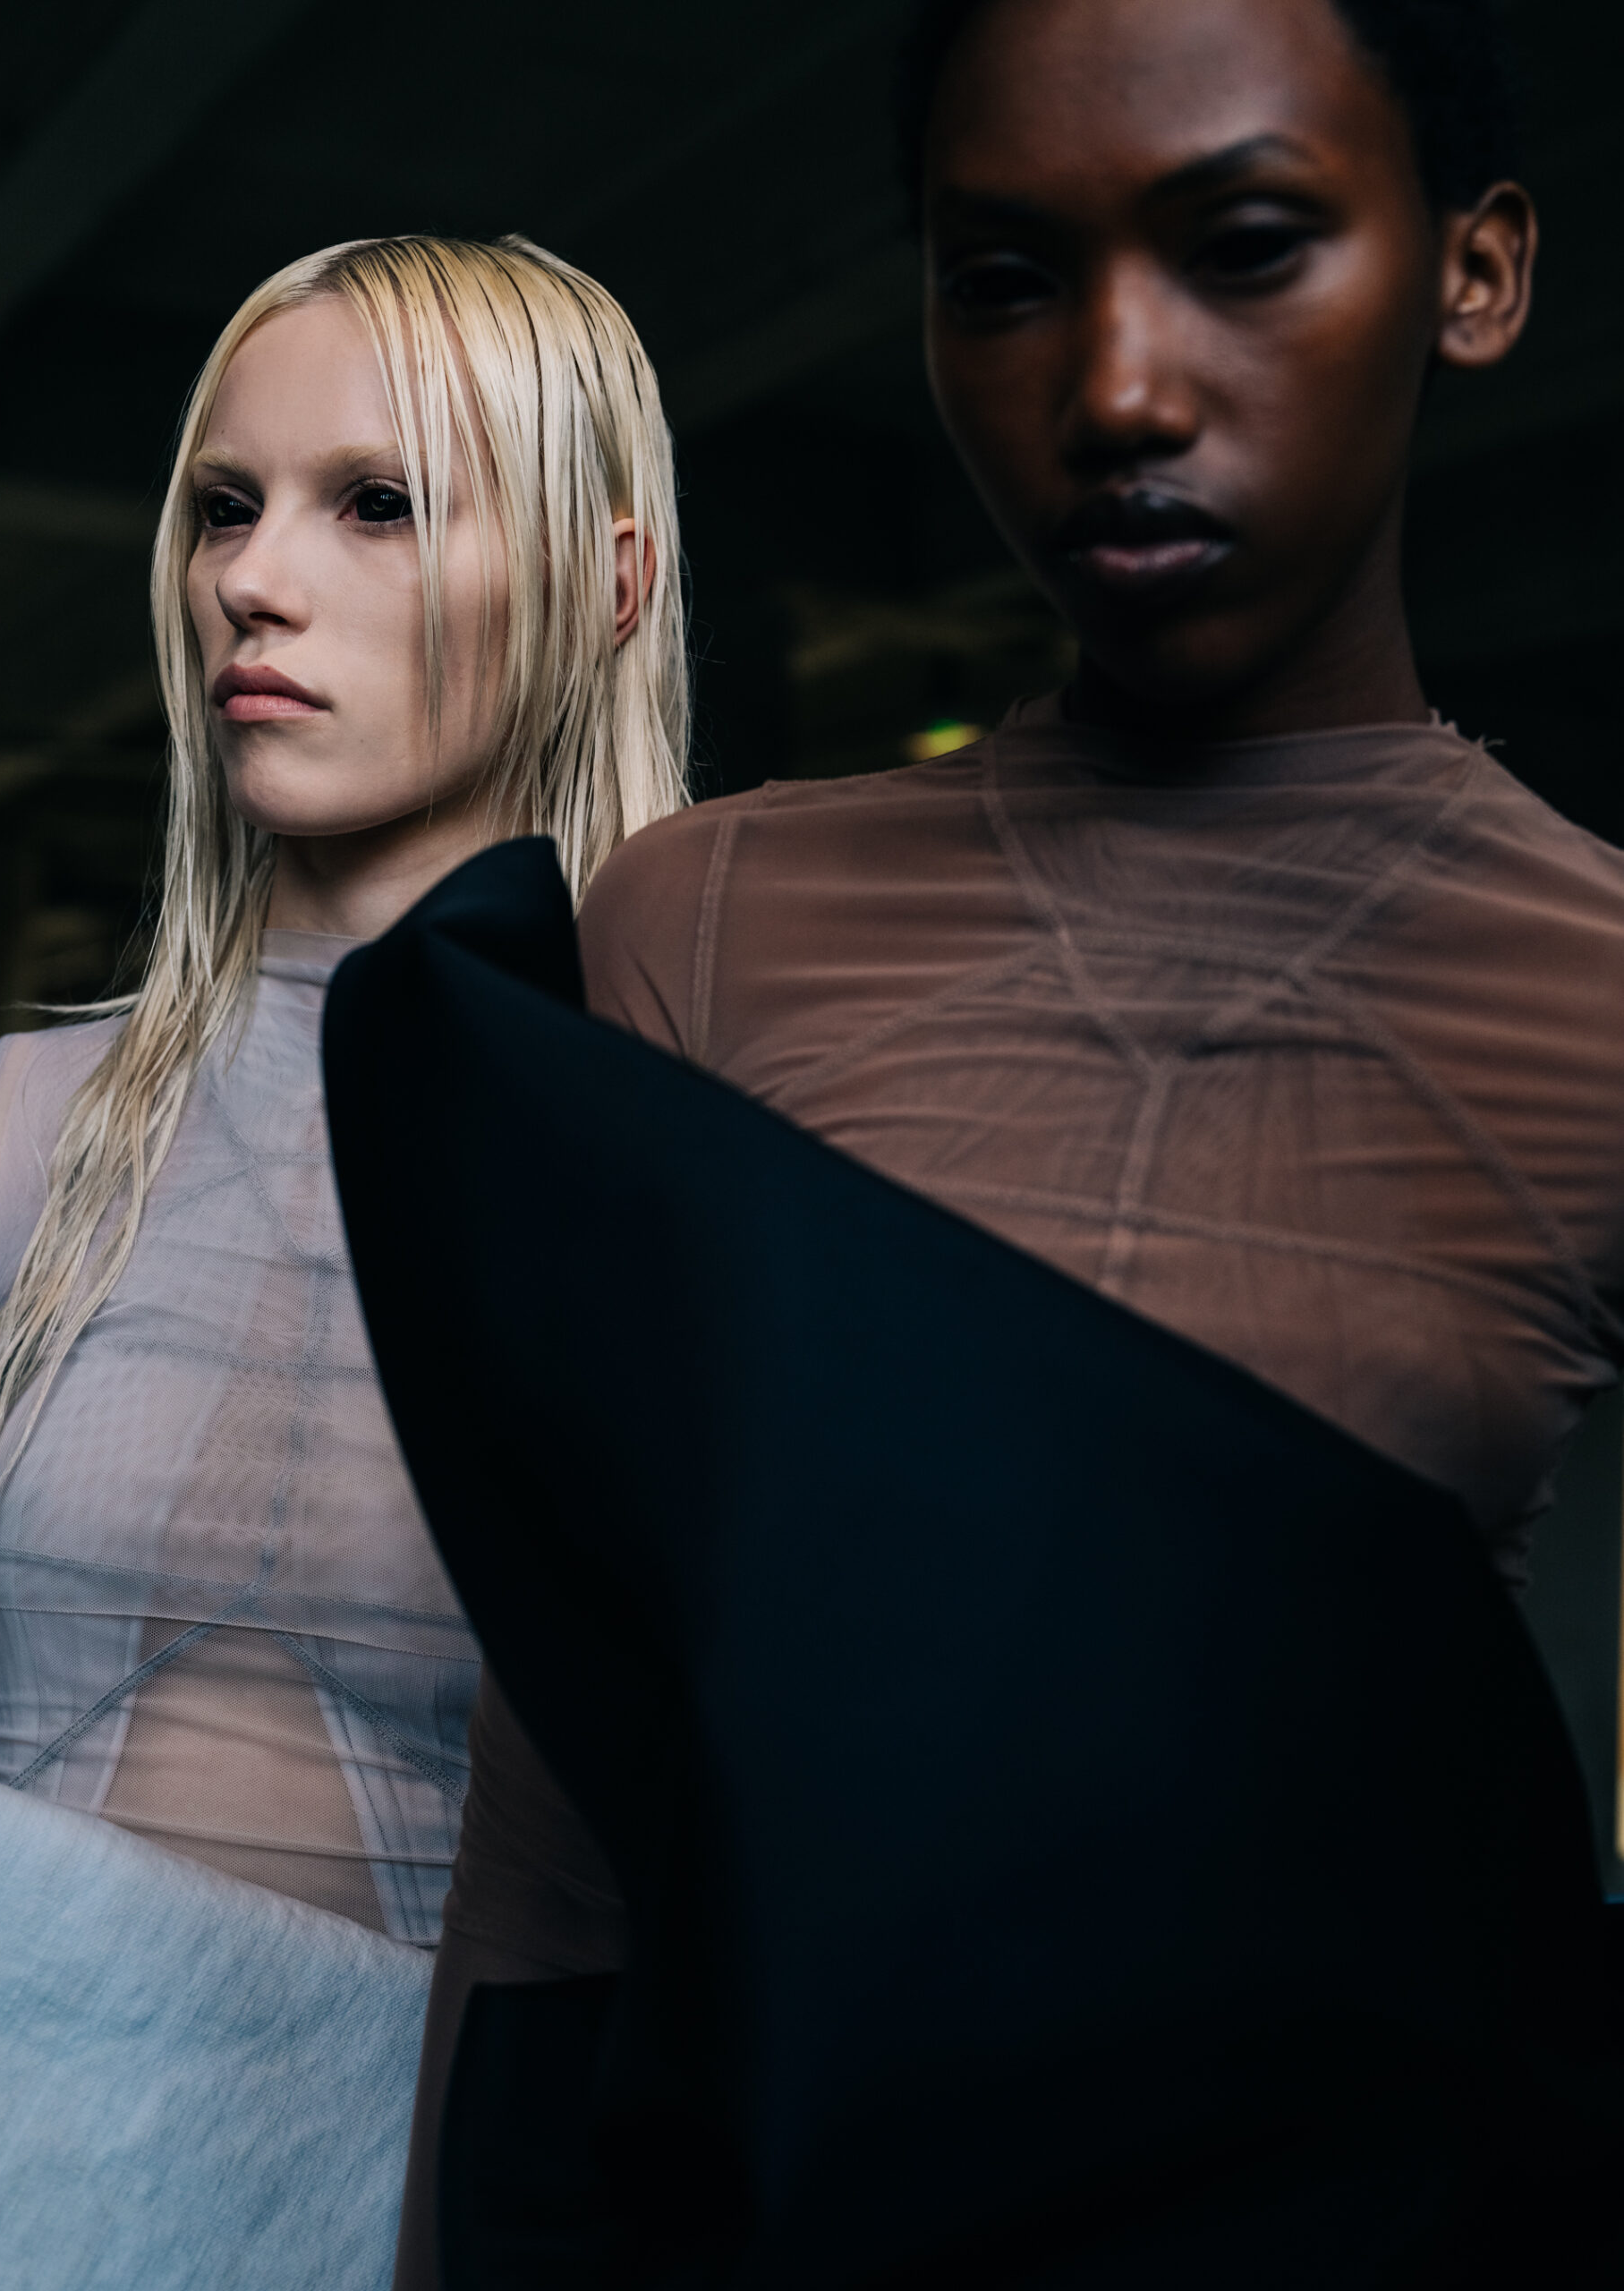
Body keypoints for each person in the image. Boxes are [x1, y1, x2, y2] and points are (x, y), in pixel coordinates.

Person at [396, 0, 1624, 2277]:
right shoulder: (701, 922)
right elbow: (561, 1862)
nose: (1120, 388)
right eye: (1005, 279)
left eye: (1244, 246)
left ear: (1475, 271)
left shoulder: (1600, 991)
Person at [0, 233, 687, 1946]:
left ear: (606, 583)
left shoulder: (696, 1162)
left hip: (482, 2122)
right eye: (225, 507)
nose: (253, 577)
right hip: (7, 2112)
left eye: (376, 503)